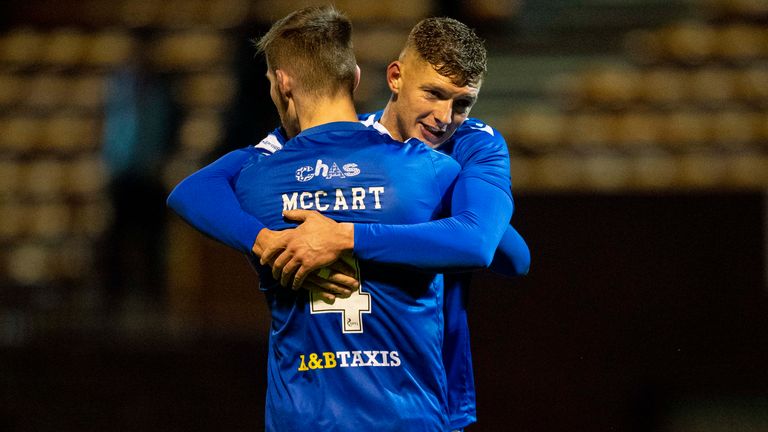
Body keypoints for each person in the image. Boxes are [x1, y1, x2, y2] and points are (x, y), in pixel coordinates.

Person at [167, 16, 530, 431]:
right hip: (381, 393)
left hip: (428, 377)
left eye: (462, 104)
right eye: (433, 93)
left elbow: (493, 248)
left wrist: (343, 236)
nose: (445, 117)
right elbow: (191, 190)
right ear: (395, 77)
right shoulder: (346, 145)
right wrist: (263, 239)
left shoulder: (471, 145)